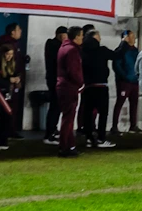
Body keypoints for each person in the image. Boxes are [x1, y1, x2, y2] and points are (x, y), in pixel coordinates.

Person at [79, 29, 115, 148]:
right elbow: (116, 55)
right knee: (103, 114)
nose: (100, 38)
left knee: (88, 113)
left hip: (88, 86)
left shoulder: (82, 51)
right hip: (101, 86)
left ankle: (89, 138)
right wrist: (124, 43)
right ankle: (101, 138)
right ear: (95, 37)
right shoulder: (102, 50)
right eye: (99, 36)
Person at [55, 27, 85, 157]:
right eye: (81, 36)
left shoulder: (63, 48)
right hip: (69, 87)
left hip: (63, 86)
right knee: (68, 119)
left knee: (68, 118)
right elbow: (73, 71)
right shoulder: (72, 50)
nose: (83, 38)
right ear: (76, 37)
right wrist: (81, 83)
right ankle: (65, 147)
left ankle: (70, 146)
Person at [42, 26, 68, 145]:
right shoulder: (54, 46)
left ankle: (52, 131)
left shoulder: (52, 45)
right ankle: (49, 134)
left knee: (56, 107)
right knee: (55, 107)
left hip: (53, 80)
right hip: (55, 81)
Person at [111, 30, 140, 136]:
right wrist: (125, 77)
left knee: (134, 103)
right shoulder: (120, 51)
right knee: (120, 102)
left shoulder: (136, 51)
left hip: (134, 82)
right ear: (126, 37)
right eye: (132, 36)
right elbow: (117, 66)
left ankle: (133, 125)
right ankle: (114, 126)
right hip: (124, 82)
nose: (134, 38)